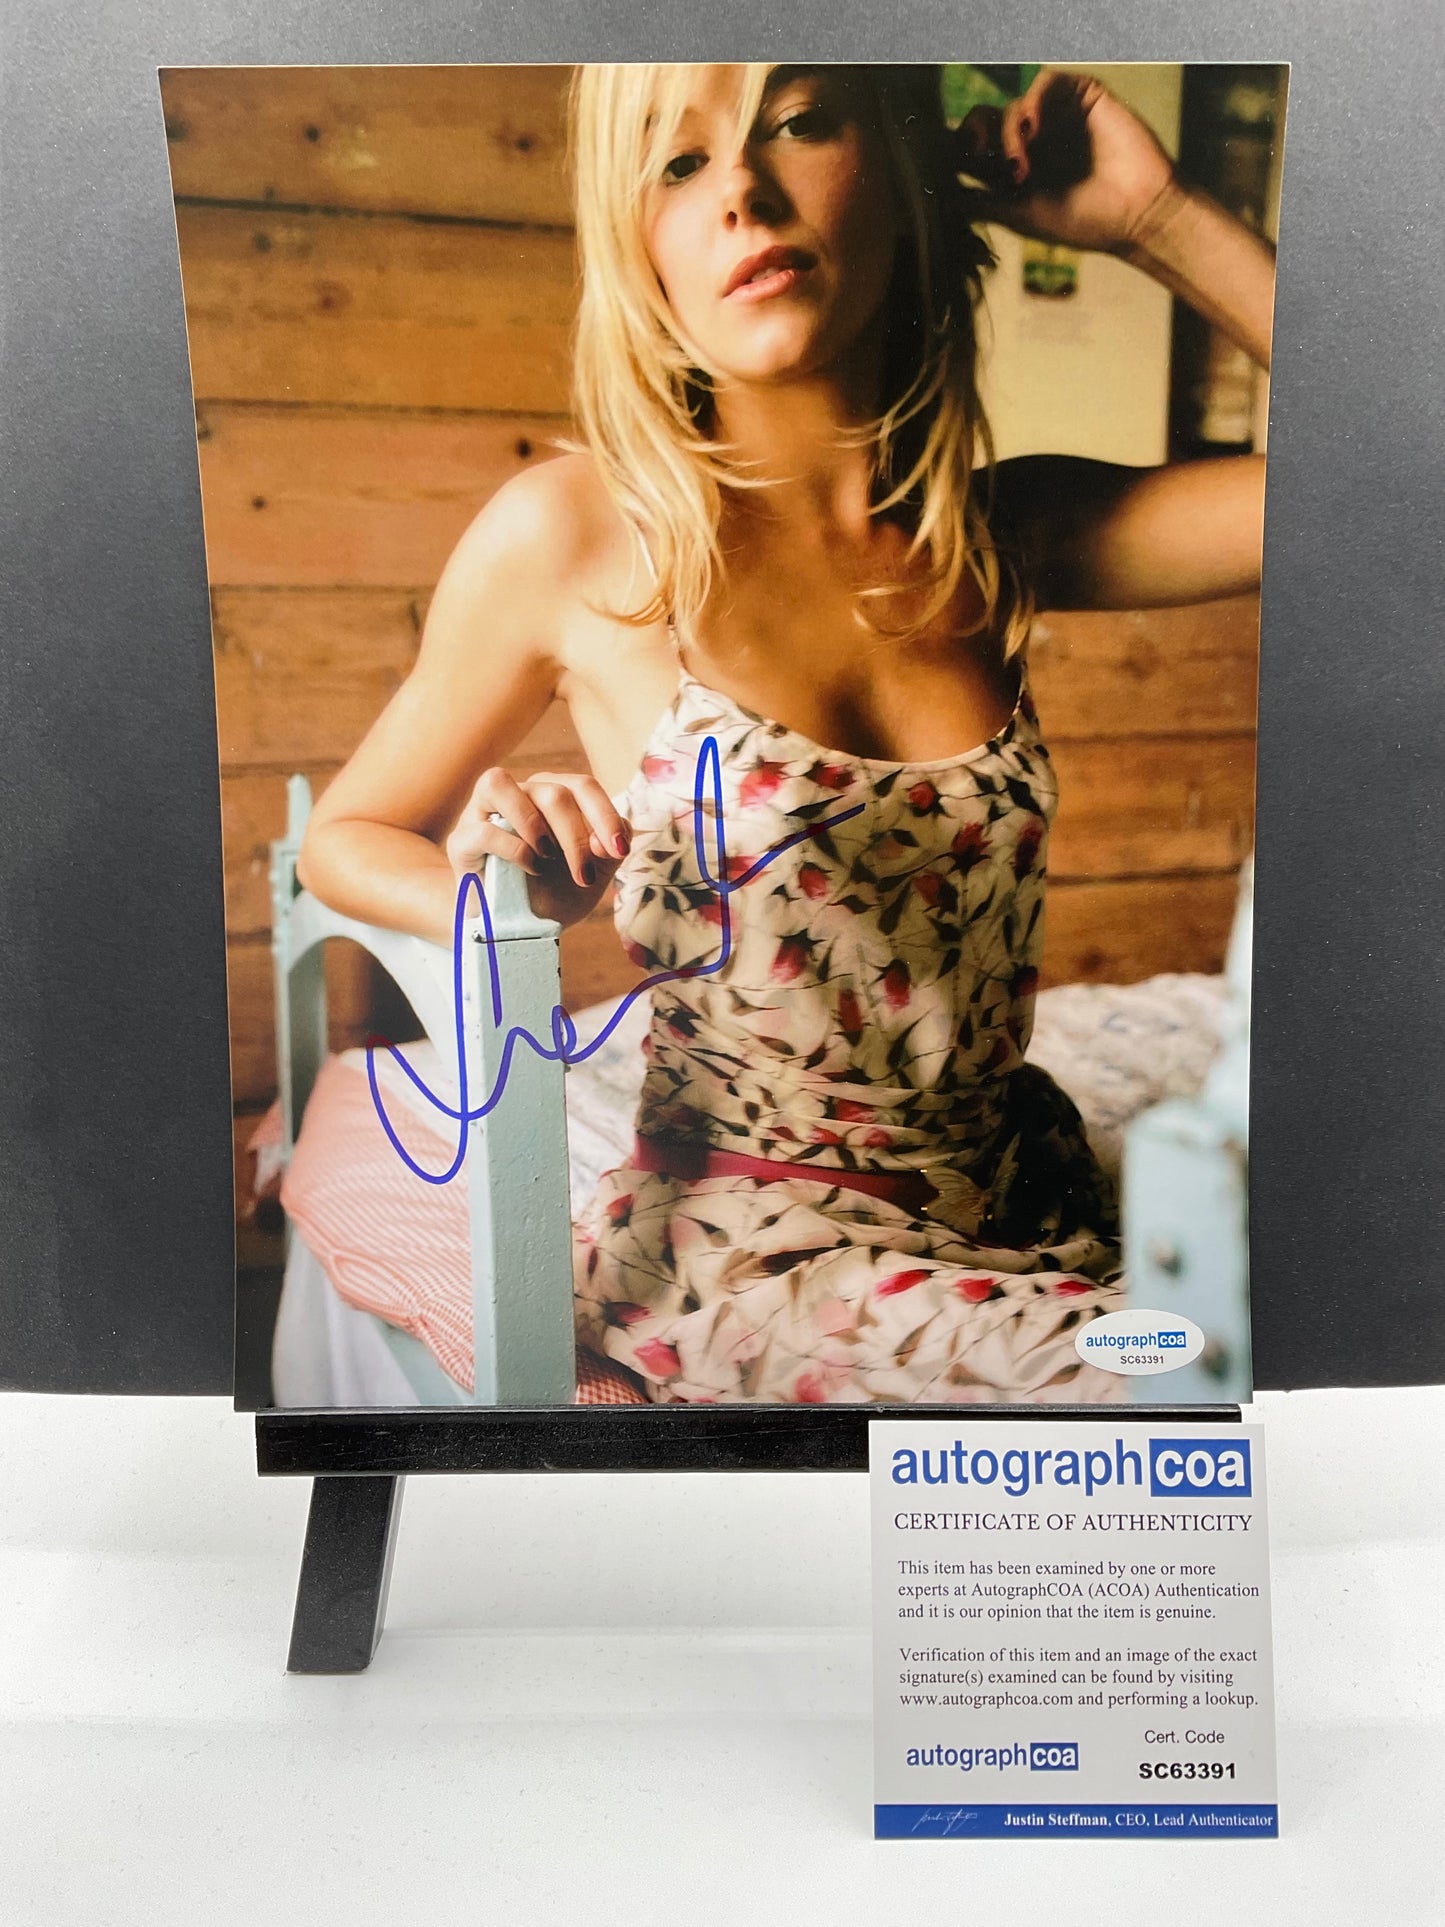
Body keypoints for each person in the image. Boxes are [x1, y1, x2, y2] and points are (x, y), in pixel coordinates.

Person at [297, 63, 1273, 1405]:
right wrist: (498, 899)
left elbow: (1395, 470)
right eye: (678, 164)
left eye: (799, 123)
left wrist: (1156, 218)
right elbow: (347, 836)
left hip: (1023, 1199)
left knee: (1317, 1331)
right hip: (764, 1253)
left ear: (904, 169)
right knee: (1188, 1387)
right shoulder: (582, 534)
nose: (742, 195)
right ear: (636, 240)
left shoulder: (995, 536)